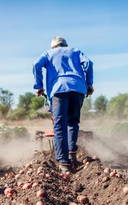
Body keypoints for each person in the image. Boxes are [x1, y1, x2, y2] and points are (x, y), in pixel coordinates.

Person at [33, 36, 94, 172]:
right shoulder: (76, 51)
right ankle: (72, 154)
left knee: (59, 125)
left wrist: (39, 86)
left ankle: (64, 162)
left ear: (53, 46)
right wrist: (89, 84)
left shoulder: (48, 53)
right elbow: (89, 63)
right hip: (78, 88)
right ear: (65, 45)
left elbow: (36, 65)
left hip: (58, 89)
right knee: (73, 122)